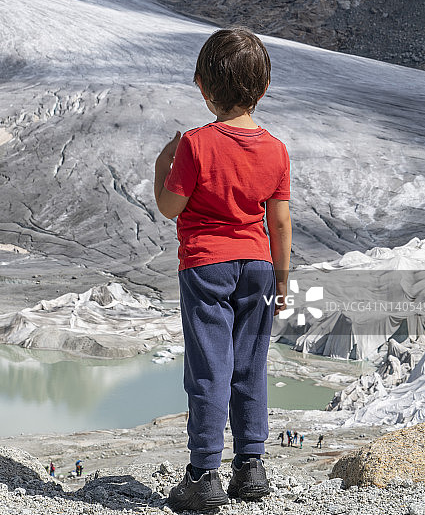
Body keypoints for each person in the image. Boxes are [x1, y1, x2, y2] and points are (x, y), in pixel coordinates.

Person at [154, 28, 292, 511]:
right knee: (250, 365)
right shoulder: (275, 149)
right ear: (265, 86)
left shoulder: (195, 145)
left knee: (209, 370)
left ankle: (203, 475)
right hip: (258, 264)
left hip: (206, 266)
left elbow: (171, 206)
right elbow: (278, 219)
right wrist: (282, 277)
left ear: (201, 85)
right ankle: (251, 465)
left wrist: (161, 164)